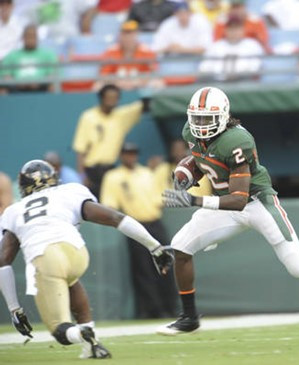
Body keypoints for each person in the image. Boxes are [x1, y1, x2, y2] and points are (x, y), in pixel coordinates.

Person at [155, 86, 299, 336]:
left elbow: (238, 199)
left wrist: (193, 201)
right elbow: (201, 158)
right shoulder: (190, 133)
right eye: (197, 118)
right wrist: (186, 173)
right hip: (223, 204)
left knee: (298, 266)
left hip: (257, 203)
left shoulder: (238, 141)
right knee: (181, 246)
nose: (201, 125)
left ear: (224, 116)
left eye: (208, 119)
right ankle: (189, 317)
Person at [0, 160, 173, 359]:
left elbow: (3, 261)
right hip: (77, 251)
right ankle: (92, 346)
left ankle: (81, 334)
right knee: (71, 281)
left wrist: (14, 308)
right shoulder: (71, 191)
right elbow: (116, 218)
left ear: (23, 187)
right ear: (53, 178)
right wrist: (155, 246)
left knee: (60, 330)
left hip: (45, 256)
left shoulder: (14, 211)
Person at [100, 143, 178, 319]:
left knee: (166, 264)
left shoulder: (147, 173)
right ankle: (151, 309)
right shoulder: (113, 176)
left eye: (134, 153)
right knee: (144, 270)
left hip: (155, 222)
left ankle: (170, 307)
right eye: (127, 153)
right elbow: (109, 204)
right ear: (121, 155)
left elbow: (160, 197)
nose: (131, 156)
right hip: (135, 225)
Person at [72, 83, 147, 198]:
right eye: (109, 98)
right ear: (102, 98)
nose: (112, 101)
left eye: (115, 98)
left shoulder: (121, 116)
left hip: (110, 169)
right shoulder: (88, 116)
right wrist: (82, 175)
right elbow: (80, 149)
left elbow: (142, 106)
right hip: (91, 170)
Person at [97, 20, 163, 91]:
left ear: (137, 35)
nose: (128, 37)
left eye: (131, 34)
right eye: (125, 34)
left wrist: (138, 82)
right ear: (120, 36)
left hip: (140, 85)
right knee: (98, 85)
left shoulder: (146, 51)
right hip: (116, 86)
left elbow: (154, 73)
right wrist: (116, 82)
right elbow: (104, 75)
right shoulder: (111, 52)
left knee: (158, 83)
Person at [198, 15, 264, 82]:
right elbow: (204, 67)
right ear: (225, 30)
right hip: (218, 82)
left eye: (237, 28)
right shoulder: (216, 46)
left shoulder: (253, 45)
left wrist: (240, 75)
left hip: (244, 82)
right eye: (231, 29)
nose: (234, 32)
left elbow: (256, 66)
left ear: (243, 30)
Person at [1, 24, 58, 93]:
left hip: (41, 87)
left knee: (52, 86)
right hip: (16, 88)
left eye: (33, 36)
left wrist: (39, 83)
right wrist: (18, 83)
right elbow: (6, 76)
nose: (30, 39)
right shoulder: (11, 56)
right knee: (3, 88)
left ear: (37, 38)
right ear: (23, 38)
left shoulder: (48, 55)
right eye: (28, 36)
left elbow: (52, 75)